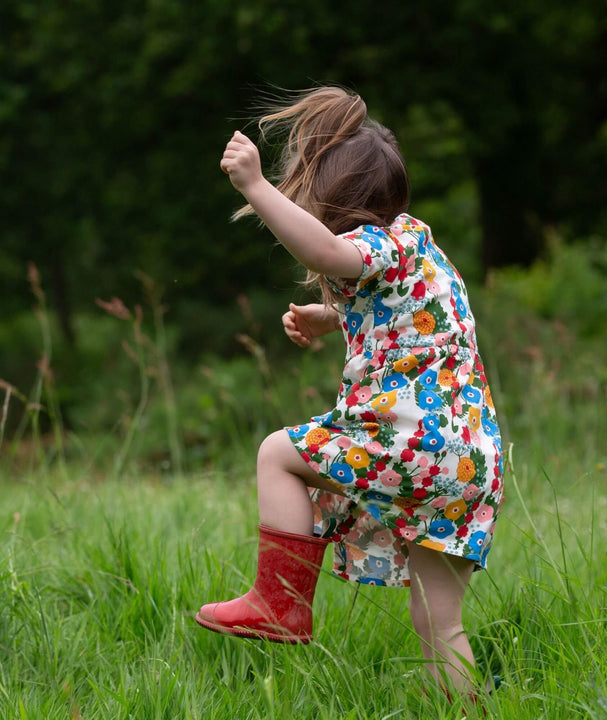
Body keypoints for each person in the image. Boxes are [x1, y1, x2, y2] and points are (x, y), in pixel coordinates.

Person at [195, 86, 504, 700]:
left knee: (276, 453)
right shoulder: (418, 243)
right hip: (469, 461)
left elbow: (327, 250)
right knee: (441, 626)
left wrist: (257, 188)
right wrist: (332, 315)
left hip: (412, 444)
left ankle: (279, 604)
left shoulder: (364, 244)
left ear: (331, 203)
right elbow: (416, 313)